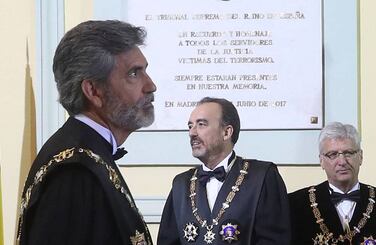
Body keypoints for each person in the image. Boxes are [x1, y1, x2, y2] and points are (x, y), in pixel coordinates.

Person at [17, 20, 156, 245]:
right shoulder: (74, 173)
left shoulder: (89, 155)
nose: (150, 86)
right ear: (93, 90)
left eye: (145, 71)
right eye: (133, 74)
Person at [157, 97, 291, 245]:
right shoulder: (180, 184)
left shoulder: (262, 177)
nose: (192, 133)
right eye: (190, 126)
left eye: (201, 124)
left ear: (226, 132)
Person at [289, 122, 376, 245]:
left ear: (360, 156)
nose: (342, 161)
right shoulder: (296, 205)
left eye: (348, 153)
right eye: (333, 154)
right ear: (321, 161)